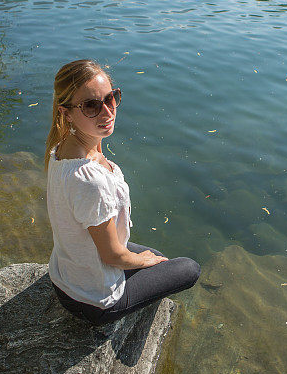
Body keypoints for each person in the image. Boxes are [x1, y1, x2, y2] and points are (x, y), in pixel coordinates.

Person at [44, 59, 200, 325]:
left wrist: (141, 260)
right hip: (94, 301)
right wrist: (138, 262)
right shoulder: (89, 180)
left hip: (66, 275)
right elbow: (112, 256)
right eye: (91, 106)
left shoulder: (62, 148)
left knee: (156, 256)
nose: (107, 112)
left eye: (111, 98)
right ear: (66, 113)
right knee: (188, 268)